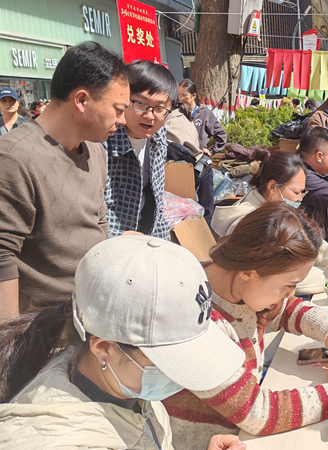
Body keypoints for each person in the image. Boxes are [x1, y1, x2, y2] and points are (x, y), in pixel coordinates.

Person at [164, 203, 328, 448]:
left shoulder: (235, 283)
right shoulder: (201, 324)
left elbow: (284, 308)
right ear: (249, 271)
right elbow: (258, 413)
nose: (291, 293)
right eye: (288, 285)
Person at [0, 235, 247, 449]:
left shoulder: (122, 385)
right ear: (103, 348)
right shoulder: (55, 441)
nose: (183, 375)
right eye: (169, 362)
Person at [0, 42, 129, 319]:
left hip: (93, 313)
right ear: (81, 100)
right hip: (44, 328)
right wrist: (9, 339)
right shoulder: (13, 157)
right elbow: (3, 257)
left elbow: (98, 222)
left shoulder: (95, 149)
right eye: (118, 109)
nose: (122, 120)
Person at [211, 150, 328, 296]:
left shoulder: (274, 206)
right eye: (296, 192)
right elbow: (272, 278)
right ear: (273, 187)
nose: (300, 198)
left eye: (303, 192)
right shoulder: (252, 225)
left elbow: (304, 239)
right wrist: (325, 274)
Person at [105, 60, 178, 240]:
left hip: (145, 235)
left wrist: (162, 246)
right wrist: (117, 238)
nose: (149, 116)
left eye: (160, 108)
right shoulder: (103, 139)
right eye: (140, 103)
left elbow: (157, 205)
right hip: (109, 241)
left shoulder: (159, 135)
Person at [165, 103, 215, 225]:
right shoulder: (184, 119)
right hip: (200, 166)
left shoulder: (170, 120)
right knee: (204, 212)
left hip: (181, 169)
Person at [178, 78, 227, 156]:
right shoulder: (177, 113)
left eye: (184, 95)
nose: (181, 99)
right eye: (179, 95)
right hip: (180, 159)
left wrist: (211, 151)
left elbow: (221, 135)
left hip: (198, 158)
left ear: (193, 96)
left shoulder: (204, 113)